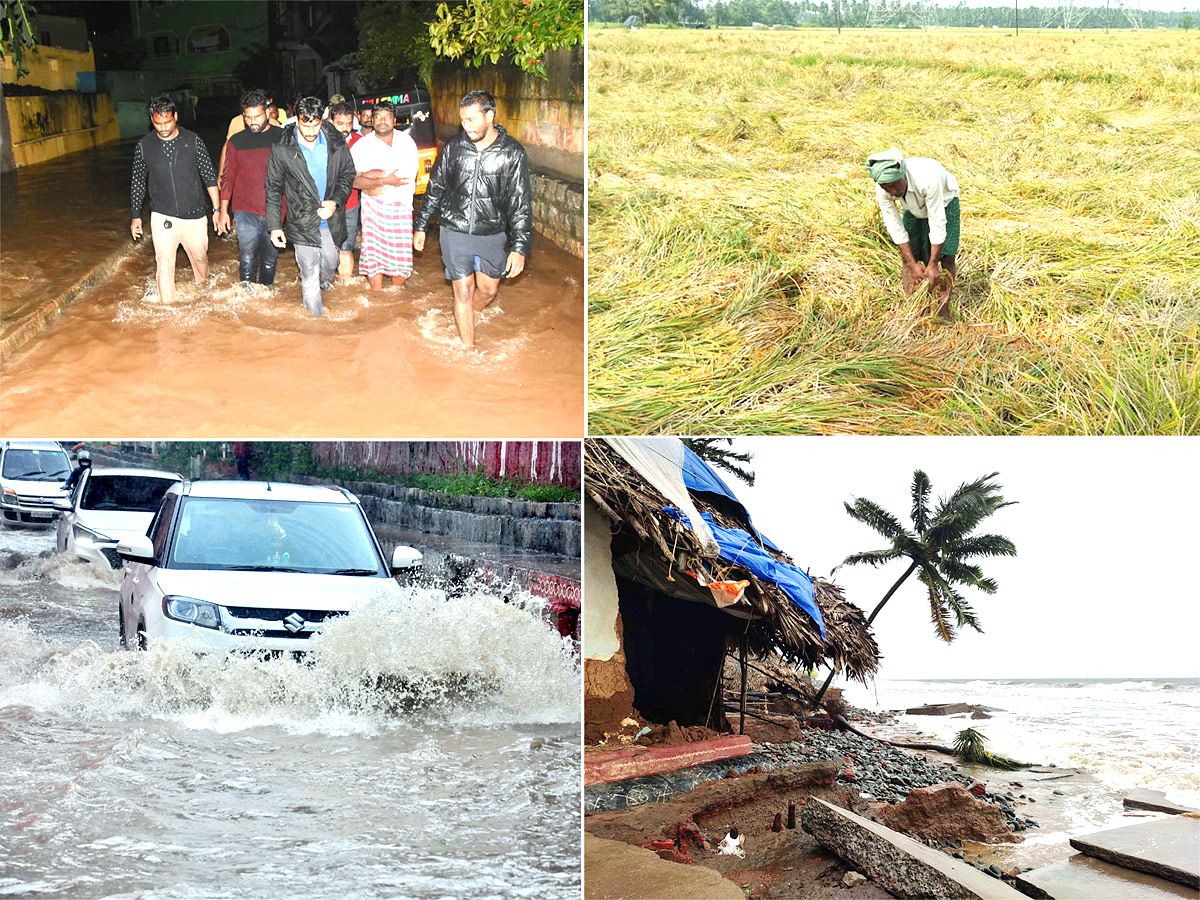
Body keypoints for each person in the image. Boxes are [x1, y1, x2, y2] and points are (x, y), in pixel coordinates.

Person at [413, 89, 532, 349]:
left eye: (472, 120)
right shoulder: (453, 148)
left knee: (489, 290)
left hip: (491, 232)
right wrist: (421, 226)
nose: (466, 126)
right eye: (463, 120)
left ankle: (468, 315)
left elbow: (520, 202)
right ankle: (469, 349)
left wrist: (520, 248)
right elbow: (435, 188)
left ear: (489, 116)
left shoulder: (512, 153)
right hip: (453, 229)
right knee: (463, 291)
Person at [265, 95, 356, 316]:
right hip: (301, 218)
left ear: (321, 120)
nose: (311, 131)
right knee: (309, 272)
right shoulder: (282, 148)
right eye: (306, 125)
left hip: (330, 218)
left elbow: (348, 175)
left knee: (331, 262)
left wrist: (335, 202)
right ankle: (317, 322)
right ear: (297, 120)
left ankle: (322, 286)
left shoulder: (335, 141)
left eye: (315, 125)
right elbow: (274, 188)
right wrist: (275, 226)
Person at [130, 95, 220, 304]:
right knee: (164, 264)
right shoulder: (144, 145)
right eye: (157, 123)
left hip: (194, 215)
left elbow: (209, 176)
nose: (162, 127)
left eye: (167, 121)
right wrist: (135, 216)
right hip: (162, 215)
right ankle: (167, 309)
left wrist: (216, 210)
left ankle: (202, 298)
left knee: (200, 261)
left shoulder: (193, 141)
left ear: (176, 116)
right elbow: (137, 182)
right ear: (151, 120)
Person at [867, 148, 961, 319]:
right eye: (886, 187)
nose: (892, 191)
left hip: (945, 202)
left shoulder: (927, 178)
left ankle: (943, 307)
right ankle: (915, 306)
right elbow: (894, 224)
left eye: (895, 184)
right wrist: (912, 264)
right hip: (912, 207)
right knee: (909, 256)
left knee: (947, 256)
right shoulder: (885, 187)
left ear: (904, 174)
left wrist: (932, 264)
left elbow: (937, 221)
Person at [215, 89, 284, 285]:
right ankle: (247, 297)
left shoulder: (282, 137)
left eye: (257, 116)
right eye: (248, 117)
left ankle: (266, 296)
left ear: (268, 113)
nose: (253, 122)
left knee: (270, 259)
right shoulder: (236, 141)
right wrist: (222, 211)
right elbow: (228, 177)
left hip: (275, 209)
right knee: (247, 256)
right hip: (244, 209)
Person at [351, 100, 419, 290]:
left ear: (394, 120)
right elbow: (352, 180)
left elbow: (404, 178)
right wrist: (380, 180)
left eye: (387, 117)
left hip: (401, 208)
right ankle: (377, 299)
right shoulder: (362, 146)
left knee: (400, 261)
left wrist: (370, 178)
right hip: (373, 209)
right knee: (373, 258)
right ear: (372, 120)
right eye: (378, 117)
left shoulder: (406, 142)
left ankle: (395, 301)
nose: (382, 121)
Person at [328, 101, 364, 282]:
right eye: (340, 123)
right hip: (326, 205)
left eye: (349, 124)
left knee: (346, 248)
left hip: (350, 204)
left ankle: (345, 289)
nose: (345, 128)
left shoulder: (360, 143)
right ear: (330, 120)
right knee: (325, 248)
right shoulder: (320, 141)